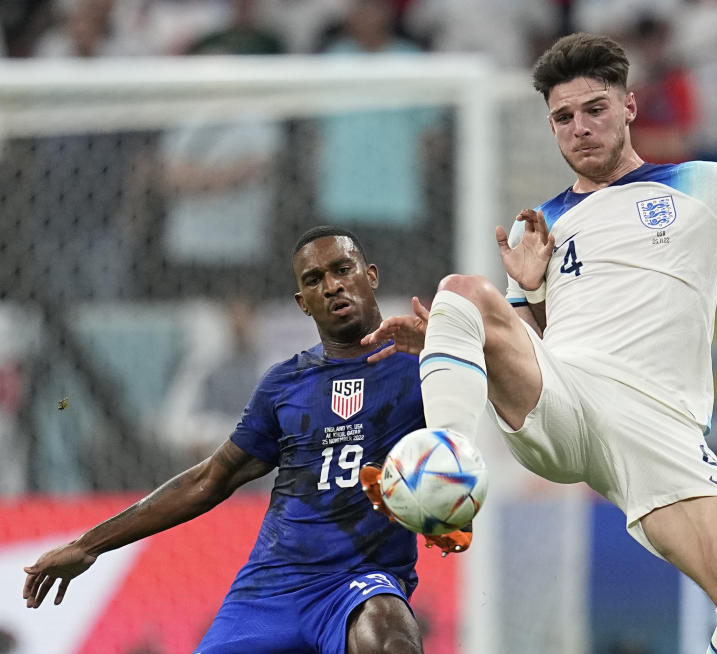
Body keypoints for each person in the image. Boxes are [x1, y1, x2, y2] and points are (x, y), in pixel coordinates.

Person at [361, 33, 717, 654]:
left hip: (659, 426)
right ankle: (443, 469)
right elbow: (520, 347)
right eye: (563, 118)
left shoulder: (701, 183)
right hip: (565, 398)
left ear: (629, 107)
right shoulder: (538, 225)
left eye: (594, 109)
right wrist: (518, 295)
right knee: (463, 289)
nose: (580, 128)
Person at [22, 226, 466, 654]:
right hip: (274, 587)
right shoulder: (284, 384)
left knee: (387, 637)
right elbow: (209, 480)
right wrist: (87, 546)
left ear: (370, 275)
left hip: (361, 583)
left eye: (342, 269)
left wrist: (454, 352)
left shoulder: (425, 365)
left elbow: (504, 407)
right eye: (314, 280)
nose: (331, 286)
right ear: (302, 302)